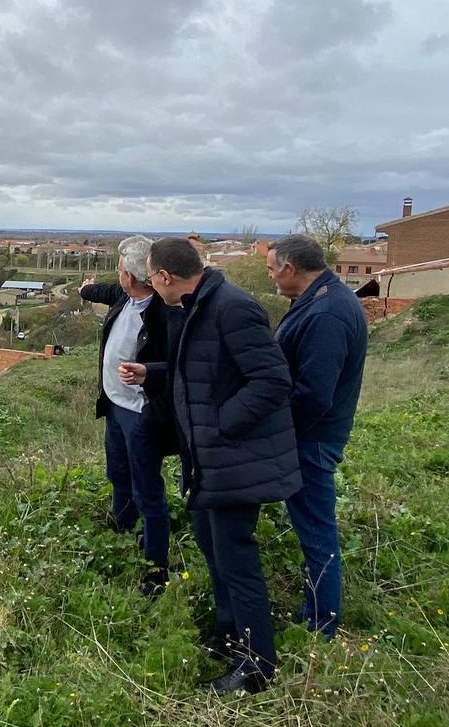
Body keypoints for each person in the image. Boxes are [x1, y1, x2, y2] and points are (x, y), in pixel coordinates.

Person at [120, 237, 299, 694]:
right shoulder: (197, 305)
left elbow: (273, 380)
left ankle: (257, 666)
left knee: (235, 557)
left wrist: (221, 424)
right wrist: (153, 372)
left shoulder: (232, 307)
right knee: (209, 543)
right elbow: (199, 370)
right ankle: (227, 632)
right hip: (207, 460)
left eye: (152, 277)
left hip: (232, 458)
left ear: (163, 276)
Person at [267, 234, 368, 637]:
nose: (271, 276)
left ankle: (321, 624)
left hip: (310, 440)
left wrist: (280, 434)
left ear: (290, 268)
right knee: (314, 528)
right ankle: (316, 610)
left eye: (273, 268)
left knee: (316, 531)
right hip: (311, 437)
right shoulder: (323, 299)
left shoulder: (326, 313)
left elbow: (313, 395)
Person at [79, 235, 176, 596]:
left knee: (148, 491)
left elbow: (178, 364)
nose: (117, 275)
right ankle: (122, 536)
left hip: (142, 415)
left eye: (120, 269)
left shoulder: (165, 313)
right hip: (116, 409)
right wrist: (85, 291)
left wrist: (150, 372)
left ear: (132, 277)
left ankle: (155, 571)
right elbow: (105, 291)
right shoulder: (125, 297)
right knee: (118, 474)